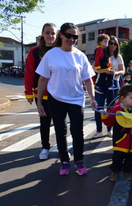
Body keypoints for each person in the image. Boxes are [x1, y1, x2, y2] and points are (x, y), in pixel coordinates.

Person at [36, 22, 97, 176]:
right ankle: (64, 160)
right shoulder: (51, 54)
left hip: (76, 98)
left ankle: (79, 160)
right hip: (56, 98)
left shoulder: (80, 55)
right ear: (61, 35)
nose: (72, 39)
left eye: (75, 37)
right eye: (68, 35)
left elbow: (88, 80)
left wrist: (93, 98)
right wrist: (38, 102)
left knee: (77, 131)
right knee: (60, 131)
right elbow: (43, 79)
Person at [100, 84, 132, 181]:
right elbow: (109, 122)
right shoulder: (116, 109)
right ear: (122, 98)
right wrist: (104, 116)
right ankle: (115, 171)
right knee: (117, 157)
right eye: (131, 98)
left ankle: (128, 171)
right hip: (120, 140)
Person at [24, 22, 57, 160]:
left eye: (53, 33)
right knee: (44, 121)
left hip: (59, 93)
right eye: (47, 32)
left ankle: (62, 147)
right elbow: (29, 72)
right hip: (41, 93)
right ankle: (45, 147)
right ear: (42, 34)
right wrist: (28, 92)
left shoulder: (61, 50)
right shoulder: (34, 51)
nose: (50, 35)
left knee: (60, 122)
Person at [92, 36, 124, 139]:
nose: (112, 45)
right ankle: (99, 130)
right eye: (111, 43)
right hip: (101, 83)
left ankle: (110, 130)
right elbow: (94, 69)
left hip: (114, 83)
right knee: (99, 106)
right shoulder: (101, 53)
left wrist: (114, 73)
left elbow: (122, 71)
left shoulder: (118, 56)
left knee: (112, 108)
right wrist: (105, 71)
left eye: (115, 44)